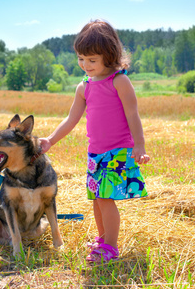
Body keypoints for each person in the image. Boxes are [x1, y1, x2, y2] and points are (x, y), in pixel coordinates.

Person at [39, 19, 150, 263]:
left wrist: (139, 145)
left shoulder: (119, 81)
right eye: (81, 58)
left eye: (92, 60)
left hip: (117, 151)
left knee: (105, 198)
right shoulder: (84, 87)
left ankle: (110, 247)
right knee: (96, 198)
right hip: (95, 154)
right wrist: (50, 140)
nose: (85, 65)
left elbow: (133, 114)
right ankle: (103, 239)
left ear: (109, 56)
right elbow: (71, 120)